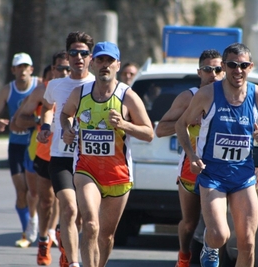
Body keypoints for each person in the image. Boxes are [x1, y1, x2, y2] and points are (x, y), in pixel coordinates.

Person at [175, 43, 258, 267]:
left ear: (251, 67)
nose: (238, 70)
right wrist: (192, 155)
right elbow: (181, 125)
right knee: (219, 235)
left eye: (243, 65)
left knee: (247, 242)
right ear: (224, 67)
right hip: (212, 176)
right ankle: (210, 246)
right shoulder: (207, 94)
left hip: (243, 177)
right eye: (232, 65)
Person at [60, 41, 154, 267]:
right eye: (100, 60)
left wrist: (124, 124)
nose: (105, 65)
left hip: (118, 175)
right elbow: (65, 114)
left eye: (110, 61)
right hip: (86, 170)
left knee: (106, 236)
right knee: (91, 224)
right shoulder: (79, 93)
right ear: (92, 64)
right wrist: (67, 129)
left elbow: (149, 133)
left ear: (118, 65)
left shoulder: (127, 96)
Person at [155, 49, 224, 267]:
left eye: (218, 69)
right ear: (199, 72)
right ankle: (184, 255)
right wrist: (188, 120)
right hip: (191, 168)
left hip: (221, 169)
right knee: (189, 223)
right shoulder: (188, 97)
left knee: (217, 223)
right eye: (207, 69)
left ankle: (211, 258)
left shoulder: (230, 96)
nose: (213, 74)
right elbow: (161, 129)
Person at [37, 31, 95, 267]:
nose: (78, 57)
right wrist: (46, 126)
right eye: (74, 52)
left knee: (81, 216)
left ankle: (64, 241)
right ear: (68, 56)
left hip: (89, 158)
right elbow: (48, 107)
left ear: (90, 57)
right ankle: (73, 263)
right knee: (69, 208)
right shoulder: (56, 84)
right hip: (61, 156)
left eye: (83, 53)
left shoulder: (96, 84)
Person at [16, 50, 70, 265]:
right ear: (52, 69)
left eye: (68, 67)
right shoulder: (42, 90)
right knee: (47, 200)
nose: (65, 72)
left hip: (72, 154)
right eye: (60, 68)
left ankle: (65, 245)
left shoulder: (83, 87)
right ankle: (43, 239)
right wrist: (39, 121)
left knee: (69, 204)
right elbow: (21, 119)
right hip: (46, 153)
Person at [0, 52, 42, 248]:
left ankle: (39, 223)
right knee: (22, 191)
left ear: (31, 69)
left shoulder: (40, 85)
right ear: (13, 70)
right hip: (16, 145)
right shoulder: (7, 90)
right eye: (18, 67)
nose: (22, 70)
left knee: (36, 191)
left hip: (36, 145)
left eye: (25, 66)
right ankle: (27, 231)